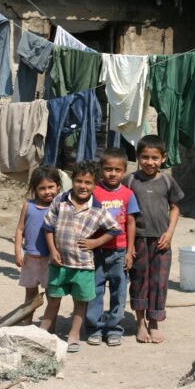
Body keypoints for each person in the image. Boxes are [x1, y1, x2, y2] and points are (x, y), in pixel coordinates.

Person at [39, 160, 122, 353]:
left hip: (83, 265)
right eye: (78, 181)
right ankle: (45, 332)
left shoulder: (98, 209)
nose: (83, 186)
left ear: (95, 185)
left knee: (80, 302)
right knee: (53, 298)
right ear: (72, 181)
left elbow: (114, 229)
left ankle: (73, 334)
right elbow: (49, 227)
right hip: (59, 263)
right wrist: (53, 250)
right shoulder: (60, 201)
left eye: (88, 182)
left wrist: (95, 243)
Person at [124, 135, 184, 344]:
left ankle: (155, 321)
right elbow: (123, 213)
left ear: (163, 158)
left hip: (161, 241)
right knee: (139, 280)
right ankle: (140, 322)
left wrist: (169, 233)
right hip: (138, 239)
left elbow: (175, 207)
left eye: (155, 158)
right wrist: (128, 246)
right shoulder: (130, 180)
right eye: (145, 157)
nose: (150, 162)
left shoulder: (167, 180)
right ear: (137, 157)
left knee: (159, 282)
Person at [86, 148, 139, 346]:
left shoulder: (128, 194)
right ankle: (95, 327)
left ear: (124, 171)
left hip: (119, 251)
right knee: (95, 291)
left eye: (117, 170)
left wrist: (129, 250)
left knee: (119, 291)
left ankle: (114, 328)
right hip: (96, 251)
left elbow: (131, 222)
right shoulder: (94, 192)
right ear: (101, 170)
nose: (112, 173)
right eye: (108, 169)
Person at [13, 165, 62, 324]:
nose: (47, 191)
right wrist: (18, 252)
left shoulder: (60, 207)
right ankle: (27, 324)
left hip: (51, 260)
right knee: (30, 294)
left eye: (51, 187)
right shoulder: (28, 206)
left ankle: (49, 326)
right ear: (35, 189)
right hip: (30, 259)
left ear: (58, 186)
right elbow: (20, 229)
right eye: (42, 188)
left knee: (51, 294)